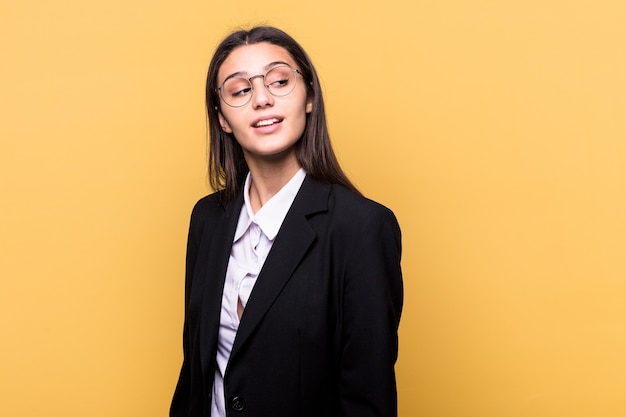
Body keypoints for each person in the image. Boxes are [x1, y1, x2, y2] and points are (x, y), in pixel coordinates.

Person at [170, 26, 403, 417]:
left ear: (309, 96)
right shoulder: (208, 220)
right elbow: (195, 374)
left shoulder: (361, 228)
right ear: (222, 118)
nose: (261, 99)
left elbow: (368, 397)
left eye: (279, 81)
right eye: (240, 90)